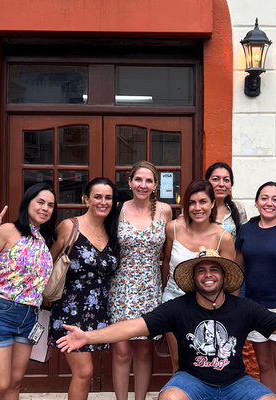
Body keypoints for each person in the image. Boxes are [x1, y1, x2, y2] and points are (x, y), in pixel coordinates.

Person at [56, 248, 276, 400]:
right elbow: (131, 327)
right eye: (201, 271)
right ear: (195, 279)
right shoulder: (177, 309)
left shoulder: (244, 308)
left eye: (214, 270)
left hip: (236, 383)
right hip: (192, 380)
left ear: (223, 277)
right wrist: (88, 336)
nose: (208, 274)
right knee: (168, 399)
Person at [0, 182, 57, 400]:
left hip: (28, 316)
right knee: (0, 384)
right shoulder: (9, 230)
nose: (45, 208)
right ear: (27, 202)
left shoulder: (44, 239)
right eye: (40, 202)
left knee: (15, 382)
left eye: (50, 205)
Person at [47, 177, 120, 400]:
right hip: (70, 309)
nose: (103, 202)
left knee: (88, 372)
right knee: (84, 371)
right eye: (97, 196)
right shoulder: (70, 226)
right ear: (86, 199)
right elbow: (48, 263)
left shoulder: (112, 231)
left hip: (100, 310)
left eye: (108, 197)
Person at [109, 161, 173, 400]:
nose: (143, 185)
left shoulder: (165, 211)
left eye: (148, 181)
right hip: (121, 287)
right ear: (130, 182)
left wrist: (167, 288)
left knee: (144, 352)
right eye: (138, 180)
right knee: (122, 351)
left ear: (155, 185)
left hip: (151, 287)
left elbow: (168, 254)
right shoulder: (117, 209)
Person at [234, 182, 276, 400]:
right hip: (254, 307)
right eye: (264, 198)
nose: (269, 203)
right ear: (256, 203)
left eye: (275, 199)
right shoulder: (246, 231)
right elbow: (238, 272)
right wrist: (234, 304)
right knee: (264, 365)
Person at [161, 179, 235, 371]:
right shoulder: (173, 228)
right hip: (173, 300)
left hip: (208, 306)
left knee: (205, 362)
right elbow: (167, 262)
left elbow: (230, 279)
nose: (197, 207)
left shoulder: (223, 238)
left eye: (203, 201)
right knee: (178, 360)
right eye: (192, 202)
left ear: (212, 203)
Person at [205, 162, 247, 238]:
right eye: (215, 179)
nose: (221, 184)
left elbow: (244, 237)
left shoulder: (238, 208)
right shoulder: (199, 208)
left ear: (231, 185)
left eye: (226, 180)